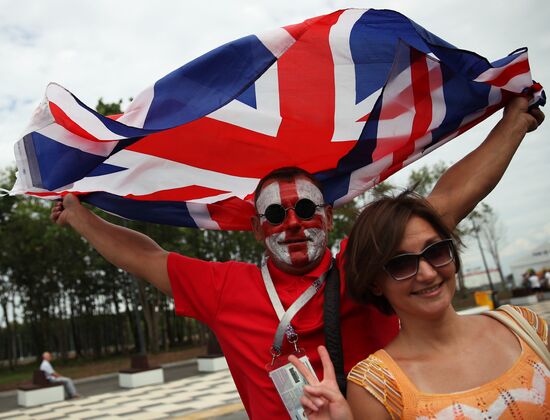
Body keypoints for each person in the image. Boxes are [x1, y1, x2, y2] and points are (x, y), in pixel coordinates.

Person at [50, 96, 543, 419]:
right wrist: (79, 216)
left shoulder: (365, 263)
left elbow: (444, 203)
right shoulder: (224, 288)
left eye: (306, 208)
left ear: (328, 216)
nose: (292, 223)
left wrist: (513, 124)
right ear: (254, 227)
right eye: (275, 213)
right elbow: (145, 256)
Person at [290, 191, 550, 418]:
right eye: (401, 263)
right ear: (375, 283)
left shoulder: (523, 325)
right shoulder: (375, 387)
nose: (427, 273)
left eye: (435, 251)